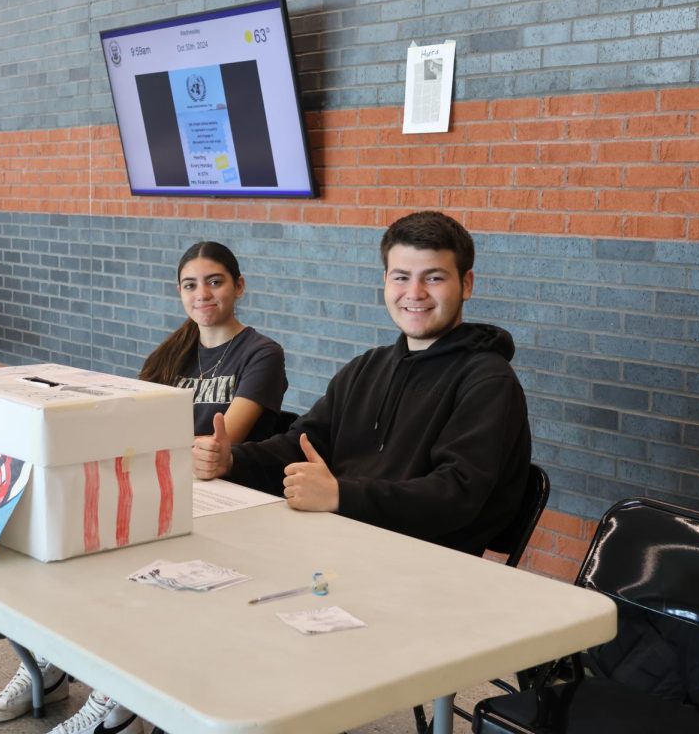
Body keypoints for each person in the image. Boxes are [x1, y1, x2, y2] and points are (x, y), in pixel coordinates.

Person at [0, 241, 287, 733]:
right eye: (190, 285)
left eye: (215, 281)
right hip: (162, 482)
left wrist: (165, 446)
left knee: (123, 570)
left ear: (238, 287)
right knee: (72, 546)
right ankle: (48, 663)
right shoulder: (172, 353)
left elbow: (224, 439)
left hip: (225, 500)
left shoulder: (261, 353)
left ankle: (116, 701)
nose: (202, 294)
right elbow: (133, 426)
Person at [194, 211, 531, 558]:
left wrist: (340, 494)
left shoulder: (489, 382)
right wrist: (231, 461)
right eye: (402, 277)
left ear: (467, 284)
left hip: (424, 566)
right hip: (336, 545)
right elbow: (302, 445)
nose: (414, 293)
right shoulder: (367, 367)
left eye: (433, 278)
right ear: (385, 280)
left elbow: (456, 496)